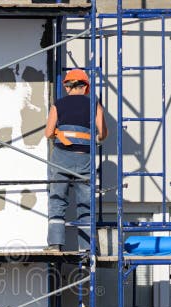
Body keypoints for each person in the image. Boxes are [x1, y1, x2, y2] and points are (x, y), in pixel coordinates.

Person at [44, 68, 108, 252]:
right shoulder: (94, 105)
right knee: (85, 204)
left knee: (57, 200)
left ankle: (55, 244)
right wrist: (94, 137)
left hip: (61, 159)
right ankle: (87, 248)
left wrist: (61, 134)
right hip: (84, 159)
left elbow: (48, 133)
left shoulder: (58, 105)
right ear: (85, 87)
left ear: (67, 86)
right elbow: (103, 133)